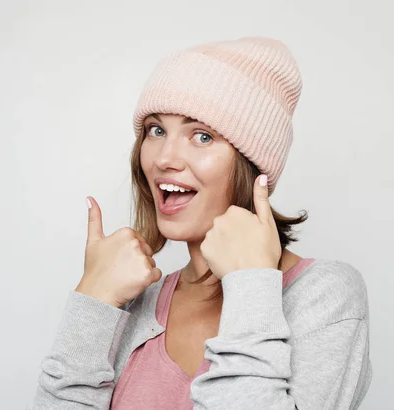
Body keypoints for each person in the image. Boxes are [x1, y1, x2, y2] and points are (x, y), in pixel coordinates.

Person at [30, 37, 372, 409]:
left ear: (252, 165)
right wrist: (93, 300)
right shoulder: (136, 301)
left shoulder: (323, 296)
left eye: (202, 136)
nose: (164, 158)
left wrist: (251, 286)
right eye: (156, 130)